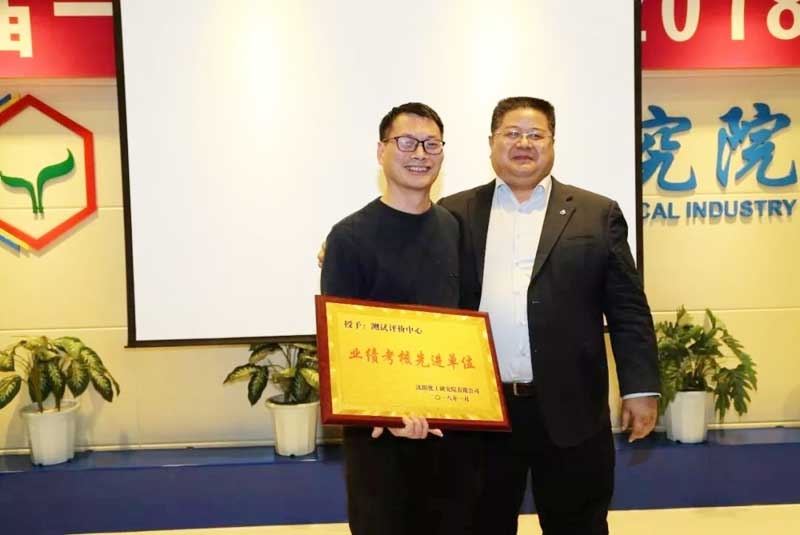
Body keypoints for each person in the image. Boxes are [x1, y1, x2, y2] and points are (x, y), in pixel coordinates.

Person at [439, 96, 660, 535]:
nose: (524, 143)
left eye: (536, 135)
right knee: (477, 524)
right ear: (491, 142)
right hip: (481, 410)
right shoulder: (453, 212)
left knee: (578, 525)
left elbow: (628, 309)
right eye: (512, 133)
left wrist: (640, 388)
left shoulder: (596, 213)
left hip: (571, 407)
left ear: (553, 143)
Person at [320, 102, 482, 535]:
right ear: (381, 151)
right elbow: (341, 341)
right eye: (407, 142)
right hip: (378, 437)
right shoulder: (348, 236)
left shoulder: (454, 228)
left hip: (448, 431)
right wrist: (386, 412)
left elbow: (464, 322)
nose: (420, 154)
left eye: (432, 144)